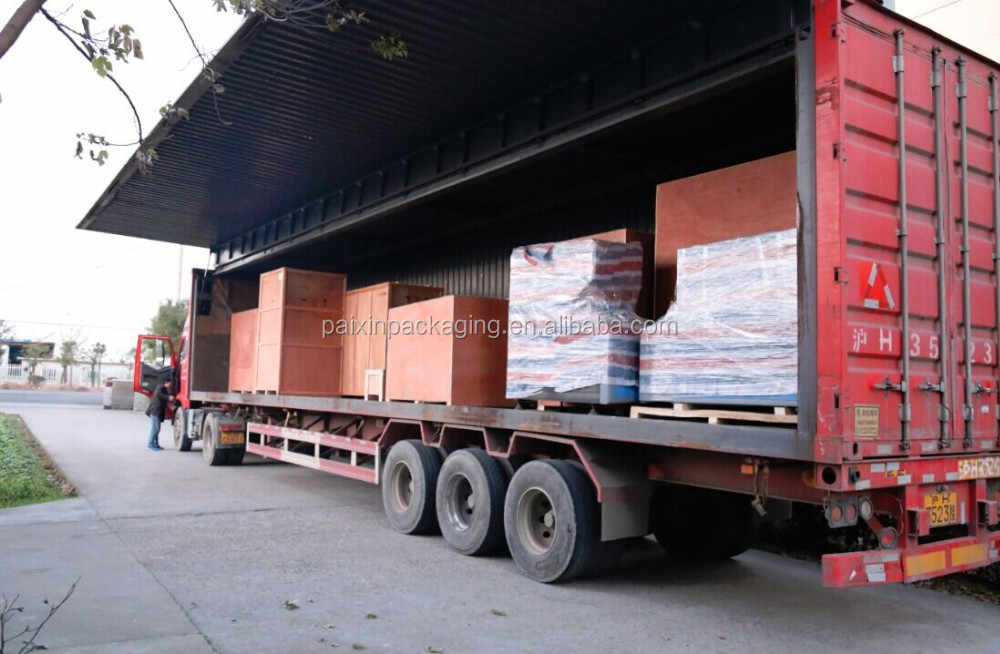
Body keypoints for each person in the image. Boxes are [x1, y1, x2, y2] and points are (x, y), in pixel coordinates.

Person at [145, 378, 174, 451]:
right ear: (167, 382)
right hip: (155, 411)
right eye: (170, 383)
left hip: (158, 412)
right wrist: (168, 397)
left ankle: (156, 444)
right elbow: (159, 394)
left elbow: (165, 398)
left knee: (157, 429)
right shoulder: (160, 387)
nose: (171, 385)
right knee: (155, 429)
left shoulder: (164, 389)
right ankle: (150, 444)